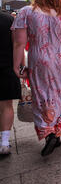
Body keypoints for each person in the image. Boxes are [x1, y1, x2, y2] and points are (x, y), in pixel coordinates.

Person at [11, 0, 61, 157]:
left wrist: (17, 65)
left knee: (41, 96)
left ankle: (49, 133)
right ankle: (56, 133)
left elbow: (19, 42)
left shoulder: (27, 12)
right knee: (60, 98)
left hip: (40, 61)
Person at [0, 11, 21, 155]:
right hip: (5, 67)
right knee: (6, 106)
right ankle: (4, 143)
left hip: (6, 68)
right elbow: (17, 44)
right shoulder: (8, 19)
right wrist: (20, 66)